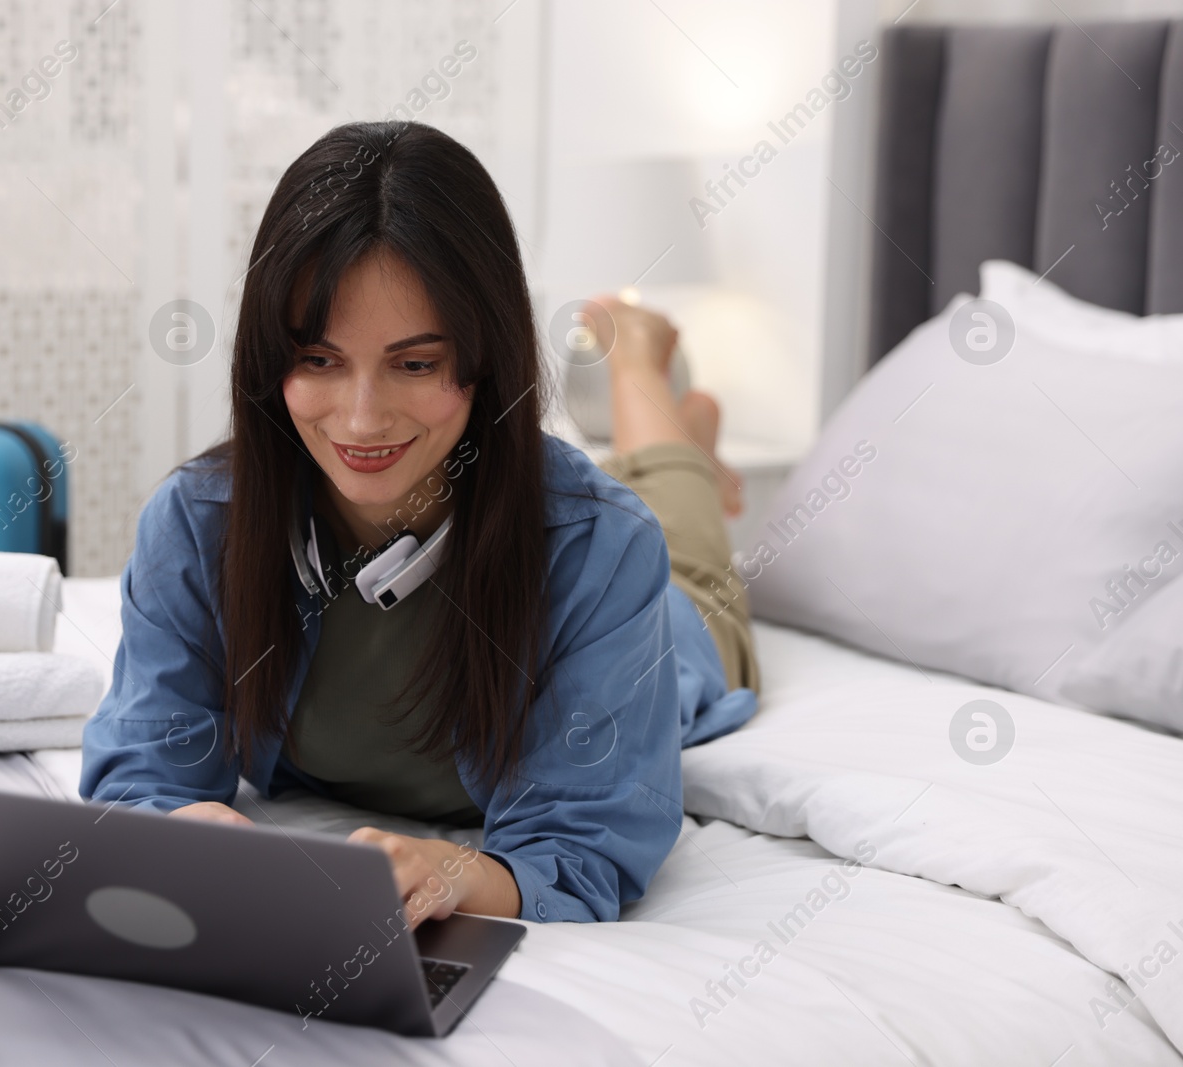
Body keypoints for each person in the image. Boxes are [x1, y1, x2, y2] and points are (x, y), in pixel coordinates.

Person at [80, 121, 758, 927]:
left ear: (485, 361)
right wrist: (171, 826)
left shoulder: (606, 549)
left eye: (415, 363)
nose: (362, 421)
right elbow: (142, 769)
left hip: (676, 624)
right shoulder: (196, 522)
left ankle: (643, 373)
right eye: (320, 360)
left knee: (691, 559)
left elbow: (588, 842)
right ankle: (682, 440)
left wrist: (464, 873)